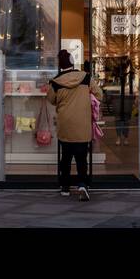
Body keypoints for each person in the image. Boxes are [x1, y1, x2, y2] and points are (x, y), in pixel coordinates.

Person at [45, 48, 101, 201]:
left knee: (66, 157)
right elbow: (99, 94)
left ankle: (65, 187)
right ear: (73, 62)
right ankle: (82, 184)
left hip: (65, 125)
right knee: (82, 158)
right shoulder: (86, 78)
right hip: (83, 125)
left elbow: (50, 100)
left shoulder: (56, 82)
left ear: (60, 65)